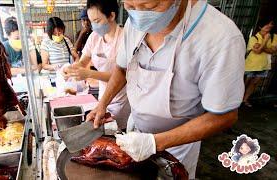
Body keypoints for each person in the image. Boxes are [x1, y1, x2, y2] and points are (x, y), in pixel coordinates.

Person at [86, 0, 246, 178]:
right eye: (130, 6)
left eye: (150, 7)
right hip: (134, 134)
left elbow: (224, 116)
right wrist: (102, 104)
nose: (140, 14)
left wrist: (154, 143)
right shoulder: (135, 23)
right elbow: (122, 69)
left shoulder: (220, 38)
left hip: (178, 147)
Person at [64, 0, 130, 129]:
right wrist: (71, 69)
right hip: (102, 99)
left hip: (122, 101)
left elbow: (121, 76)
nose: (93, 26)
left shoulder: (124, 39)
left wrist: (89, 74)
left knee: (120, 135)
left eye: (97, 21)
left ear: (111, 16)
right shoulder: (94, 37)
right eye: (91, 21)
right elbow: (83, 62)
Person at [243, 19, 275, 107]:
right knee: (245, 82)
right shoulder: (254, 38)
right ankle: (236, 100)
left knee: (254, 83)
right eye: (266, 25)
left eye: (270, 25)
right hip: (251, 65)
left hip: (264, 65)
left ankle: (245, 99)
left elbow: (273, 50)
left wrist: (261, 46)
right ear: (260, 27)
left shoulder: (274, 37)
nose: (269, 27)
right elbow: (257, 51)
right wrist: (265, 41)